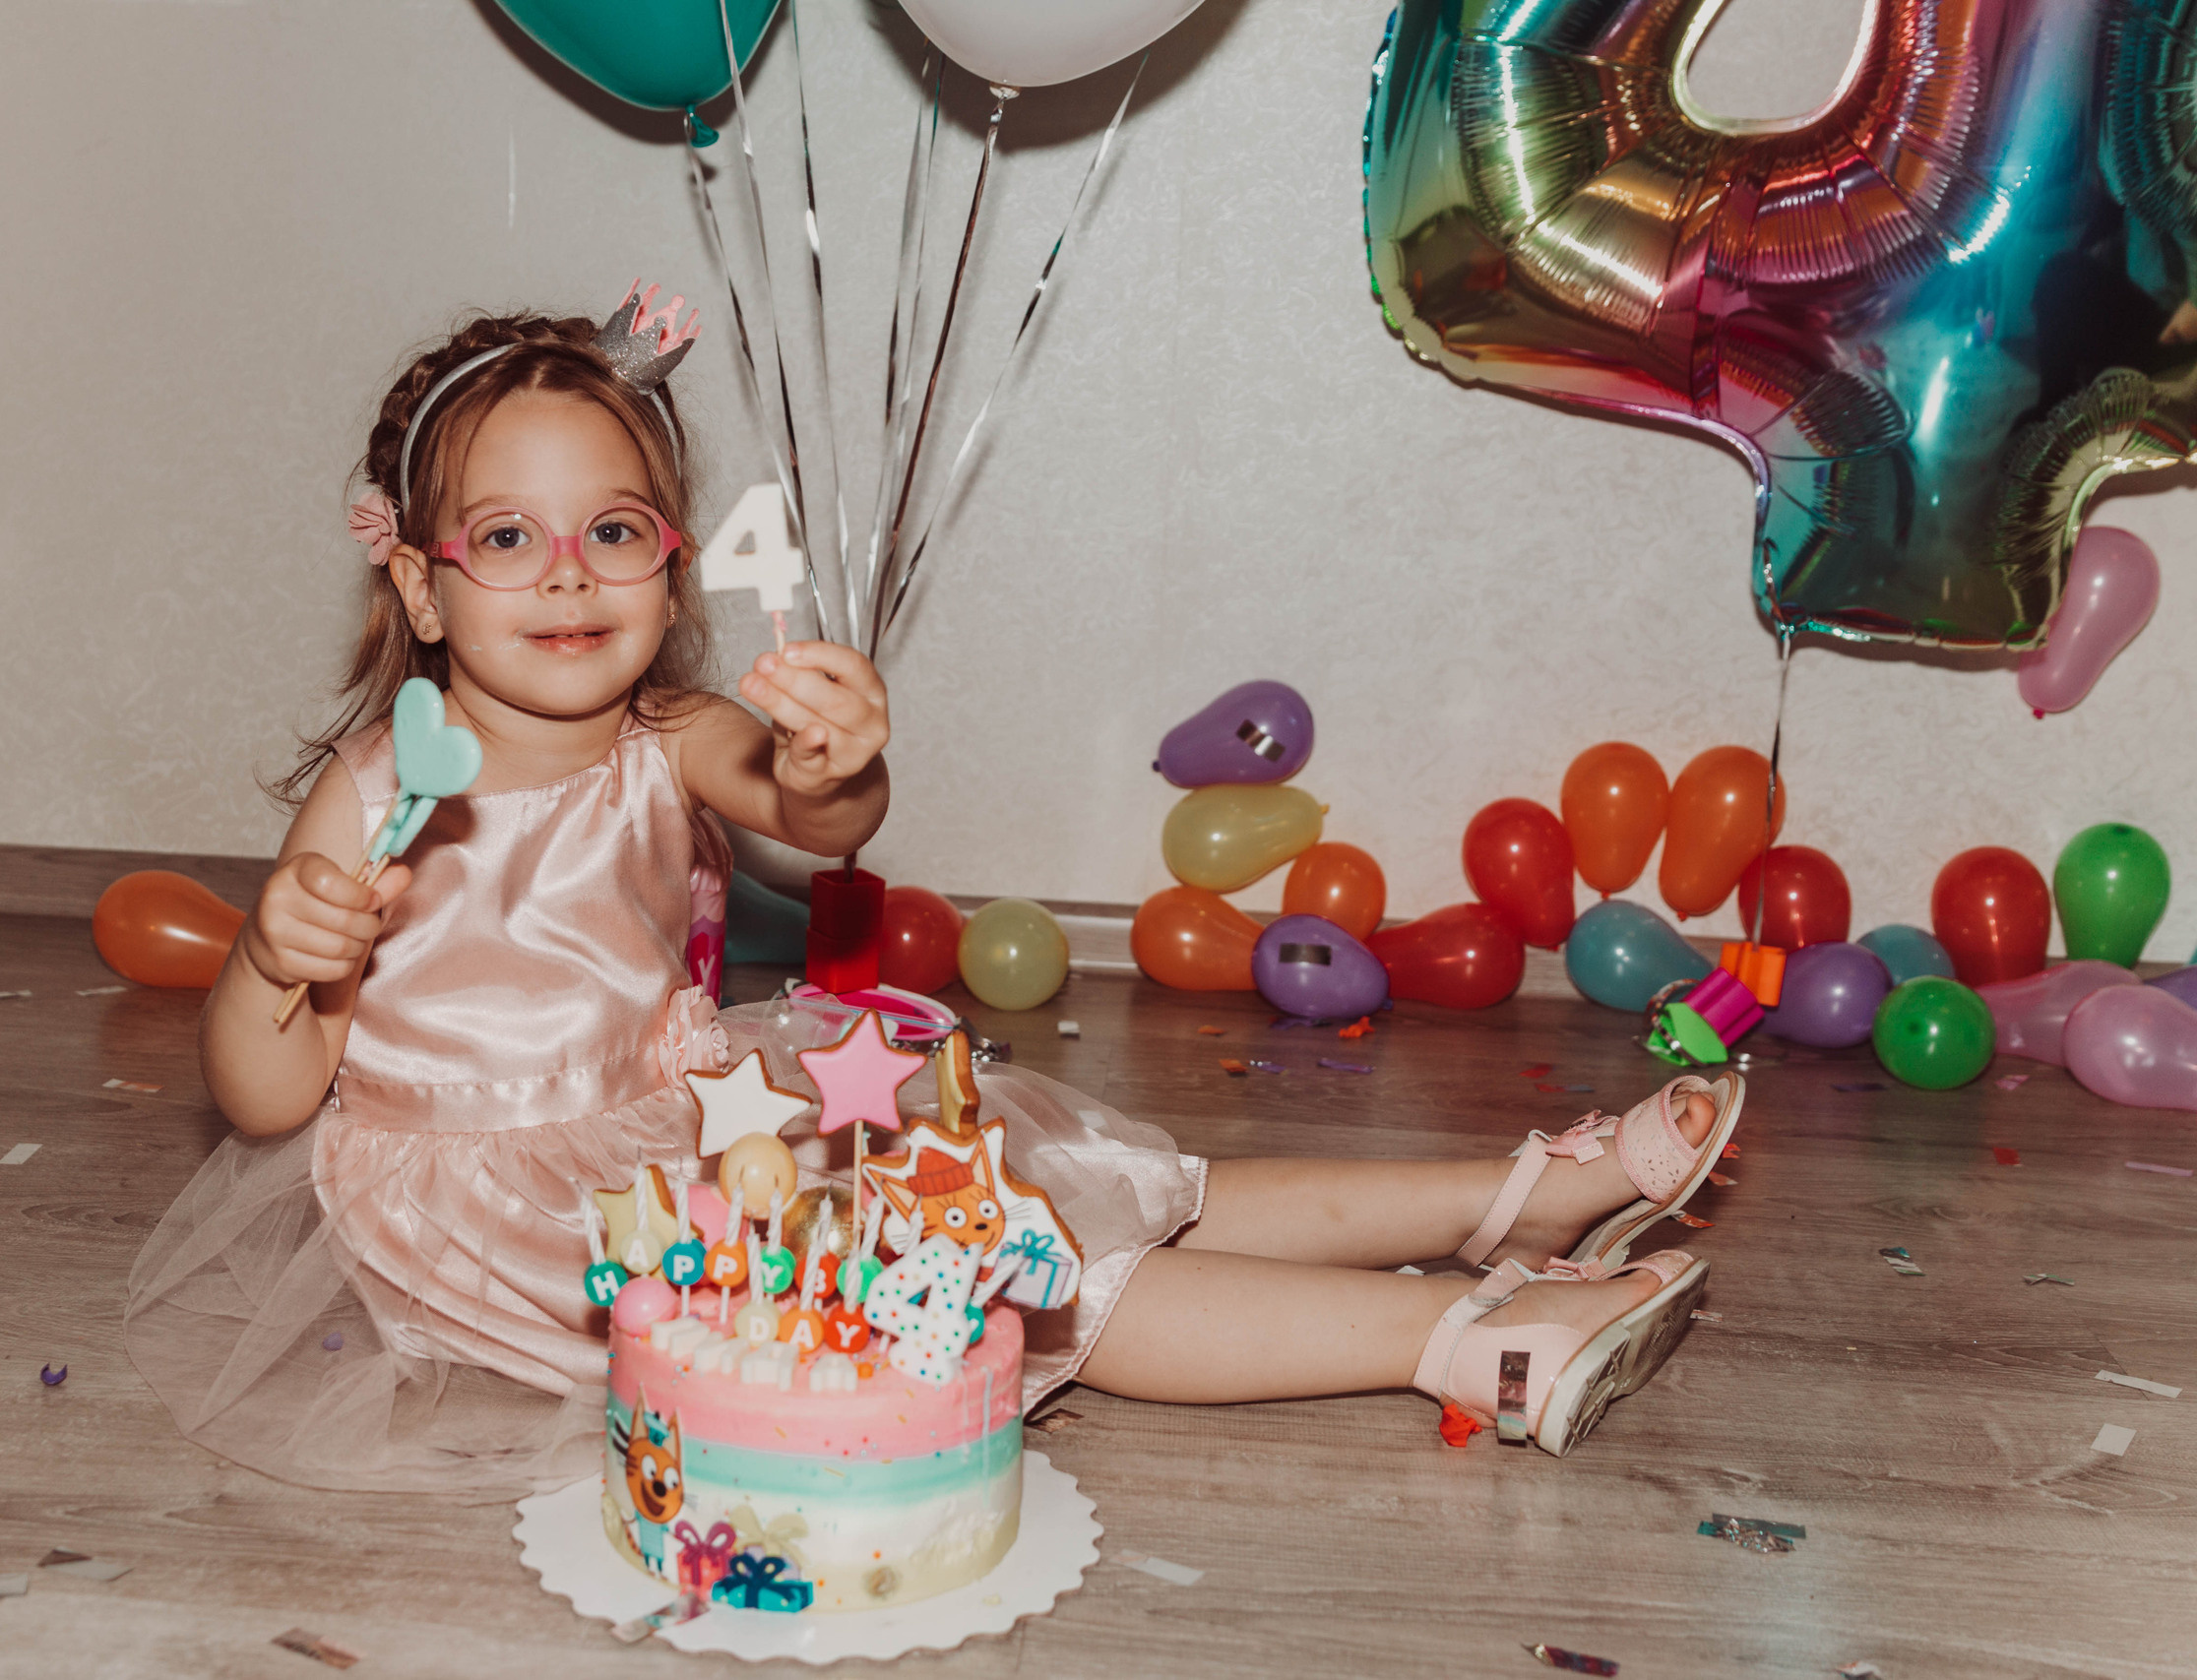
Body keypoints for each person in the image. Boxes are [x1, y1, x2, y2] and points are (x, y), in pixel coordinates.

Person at [127, 288, 1737, 1495]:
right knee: (996, 1269)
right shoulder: (377, 790)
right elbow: (268, 1099)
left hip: (686, 1105)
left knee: (1083, 1167)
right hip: (533, 1208)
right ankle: (1462, 1342)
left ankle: (1512, 1196)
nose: (567, 571)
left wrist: (836, 761)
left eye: (613, 528)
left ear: (669, 564)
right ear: (415, 580)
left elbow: (819, 825)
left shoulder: (671, 733)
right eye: (505, 536)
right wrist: (283, 959)